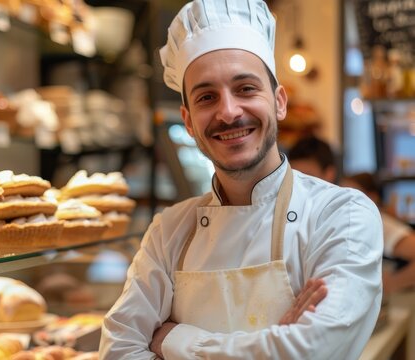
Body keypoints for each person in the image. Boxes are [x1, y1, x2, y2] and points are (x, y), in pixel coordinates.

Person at [99, 0, 383, 359]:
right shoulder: (168, 232)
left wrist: (176, 341)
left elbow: (313, 350)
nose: (228, 112)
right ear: (188, 121)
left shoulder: (342, 215)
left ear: (279, 102)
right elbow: (118, 350)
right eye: (206, 97)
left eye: (246, 88)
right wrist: (274, 341)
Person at [341, 172, 415, 296]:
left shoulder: (379, 223)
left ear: (372, 197)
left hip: (400, 305)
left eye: (352, 195)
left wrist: (392, 283)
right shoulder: (352, 224)